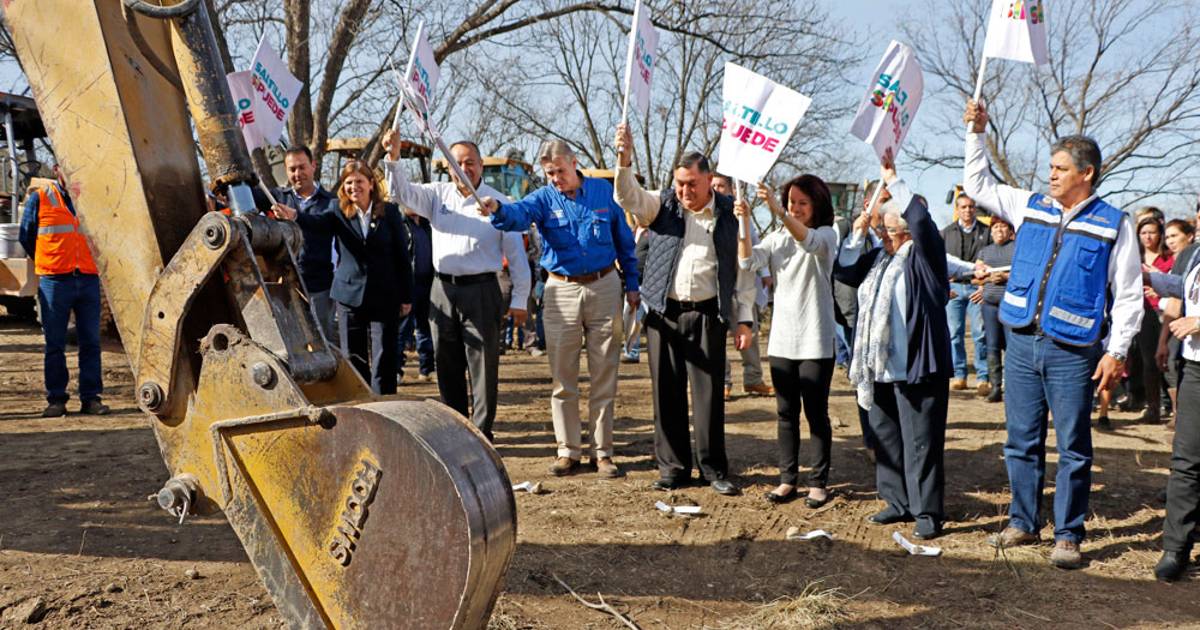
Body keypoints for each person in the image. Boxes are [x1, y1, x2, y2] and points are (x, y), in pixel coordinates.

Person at [964, 99, 1142, 569]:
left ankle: (1068, 534)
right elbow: (979, 184)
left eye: (1060, 169)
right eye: (1050, 167)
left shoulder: (1114, 224)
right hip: (1022, 342)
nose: (1052, 175)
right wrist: (976, 133)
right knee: (1020, 439)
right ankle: (1023, 521)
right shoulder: (1031, 206)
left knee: (1073, 447)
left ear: (1087, 173)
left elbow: (1128, 295)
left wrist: (1116, 351)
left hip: (1073, 351)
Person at [479, 140, 638, 478]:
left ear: (574, 163)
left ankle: (603, 453)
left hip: (605, 285)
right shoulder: (542, 198)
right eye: (550, 173)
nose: (555, 178)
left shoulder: (603, 192)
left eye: (560, 171)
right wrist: (498, 209)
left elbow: (624, 240)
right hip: (560, 290)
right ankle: (568, 451)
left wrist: (633, 285)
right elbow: (518, 214)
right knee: (563, 377)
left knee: (604, 373)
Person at [612, 124, 756, 496]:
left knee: (708, 397)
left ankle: (713, 469)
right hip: (663, 314)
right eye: (680, 183)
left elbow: (742, 272)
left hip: (708, 315)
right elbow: (627, 196)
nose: (685, 191)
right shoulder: (662, 204)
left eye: (692, 184)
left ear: (709, 181)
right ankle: (673, 469)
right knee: (666, 394)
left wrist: (744, 319)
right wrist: (624, 159)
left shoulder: (731, 215)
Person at [381, 131, 529, 441]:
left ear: (481, 165)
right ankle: (458, 431)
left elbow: (516, 256)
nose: (464, 168)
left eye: (470, 162)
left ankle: (482, 434)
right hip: (442, 290)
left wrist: (520, 299)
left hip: (482, 290)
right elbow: (400, 193)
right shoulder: (437, 195)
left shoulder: (500, 203)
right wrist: (393, 158)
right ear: (448, 167)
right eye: (457, 163)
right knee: (446, 364)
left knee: (483, 365)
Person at [834, 159, 952, 541]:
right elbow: (845, 272)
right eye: (881, 231)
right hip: (879, 366)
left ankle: (926, 511)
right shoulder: (879, 257)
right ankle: (896, 501)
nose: (882, 236)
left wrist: (893, 180)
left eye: (888, 231)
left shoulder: (924, 256)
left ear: (905, 232)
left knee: (921, 442)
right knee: (885, 435)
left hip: (917, 365)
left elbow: (921, 222)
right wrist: (857, 234)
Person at [734, 177, 838, 508]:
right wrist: (744, 222)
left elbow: (808, 242)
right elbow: (747, 262)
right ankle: (787, 479)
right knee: (785, 413)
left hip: (816, 339)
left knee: (816, 412)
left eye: (802, 203)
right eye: (791, 202)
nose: (795, 208)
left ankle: (818, 482)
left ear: (817, 205)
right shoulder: (777, 238)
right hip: (782, 340)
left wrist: (779, 212)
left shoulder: (827, 235)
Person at [275, 160, 412, 395]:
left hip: (385, 296)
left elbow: (402, 256)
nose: (353, 187)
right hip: (349, 296)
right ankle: (361, 401)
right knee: (353, 357)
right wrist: (295, 215)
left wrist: (406, 296)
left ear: (371, 184)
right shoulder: (337, 209)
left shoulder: (389, 212)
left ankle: (385, 404)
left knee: (385, 357)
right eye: (348, 182)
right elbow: (317, 223)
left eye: (359, 181)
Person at [17, 164, 109, 417]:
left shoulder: (91, 199)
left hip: (88, 278)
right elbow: (26, 236)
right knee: (55, 344)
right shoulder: (41, 198)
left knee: (91, 343)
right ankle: (56, 400)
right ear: (57, 169)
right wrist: (49, 261)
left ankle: (91, 399)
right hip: (55, 281)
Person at [1146, 201, 1200, 581]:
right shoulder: (1194, 253)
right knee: (1186, 460)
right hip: (1195, 368)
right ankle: (1175, 548)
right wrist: (1150, 277)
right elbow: (1182, 290)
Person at [712, 173, 774, 400]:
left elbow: (754, 245)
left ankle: (753, 379)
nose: (716, 189)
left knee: (749, 333)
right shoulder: (706, 211)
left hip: (742, 284)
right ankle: (723, 381)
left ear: (731, 189)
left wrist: (765, 274)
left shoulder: (741, 213)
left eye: (721, 185)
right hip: (715, 285)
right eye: (713, 185)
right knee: (716, 337)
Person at [274, 146, 339, 343]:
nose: (297, 174)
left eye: (302, 167)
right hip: (286, 287)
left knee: (322, 342)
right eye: (292, 169)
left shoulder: (331, 202)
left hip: (320, 287)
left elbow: (321, 223)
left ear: (313, 166)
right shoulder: (278, 197)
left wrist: (296, 216)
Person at [941, 193, 992, 394]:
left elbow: (992, 261)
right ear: (957, 209)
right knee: (954, 333)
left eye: (971, 207)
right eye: (963, 207)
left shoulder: (987, 232)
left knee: (980, 333)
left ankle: (982, 377)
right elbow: (939, 261)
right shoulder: (946, 233)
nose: (968, 210)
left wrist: (984, 286)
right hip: (954, 289)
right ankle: (959, 375)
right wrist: (944, 285)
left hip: (977, 289)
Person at [1157, 218, 1198, 429]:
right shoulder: (1188, 256)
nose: (1170, 241)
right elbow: (1177, 297)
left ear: (1188, 236)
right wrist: (1163, 341)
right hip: (1189, 348)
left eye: (1175, 235)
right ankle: (1177, 414)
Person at [1133, 213, 1174, 424]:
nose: (1148, 237)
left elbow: (1177, 284)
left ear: (1160, 234)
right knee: (1149, 361)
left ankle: (1175, 408)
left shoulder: (1170, 257)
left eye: (1152, 232)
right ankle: (1153, 408)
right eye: (1143, 233)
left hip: (1169, 313)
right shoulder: (1134, 258)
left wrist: (1159, 283)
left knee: (1170, 361)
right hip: (1144, 312)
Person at [972, 217, 1015, 403]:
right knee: (992, 345)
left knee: (1012, 346)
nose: (999, 230)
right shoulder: (984, 252)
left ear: (1010, 231)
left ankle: (1013, 386)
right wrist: (989, 279)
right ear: (990, 231)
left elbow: (1025, 274)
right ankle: (995, 386)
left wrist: (1005, 277)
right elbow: (974, 278)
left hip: (1010, 306)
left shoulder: (1016, 249)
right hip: (989, 306)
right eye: (995, 227)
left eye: (1003, 227)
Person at [397, 209, 435, 381]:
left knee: (426, 327)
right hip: (407, 285)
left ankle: (427, 369)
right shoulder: (400, 224)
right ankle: (396, 370)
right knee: (402, 330)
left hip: (427, 283)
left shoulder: (427, 225)